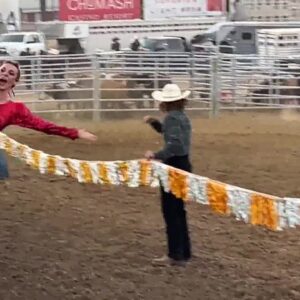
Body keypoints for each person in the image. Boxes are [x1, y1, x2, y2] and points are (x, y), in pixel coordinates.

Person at [0, 60, 97, 180]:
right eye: (2, 70)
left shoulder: (15, 109)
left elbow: (43, 125)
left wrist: (75, 132)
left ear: (14, 82)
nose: (4, 74)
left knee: (2, 173)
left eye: (11, 73)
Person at [143, 83, 192, 267]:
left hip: (173, 166)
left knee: (171, 210)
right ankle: (184, 251)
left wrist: (155, 155)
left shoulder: (172, 119)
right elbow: (171, 135)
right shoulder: (182, 118)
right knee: (179, 210)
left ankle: (175, 254)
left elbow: (174, 146)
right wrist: (155, 123)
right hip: (184, 164)